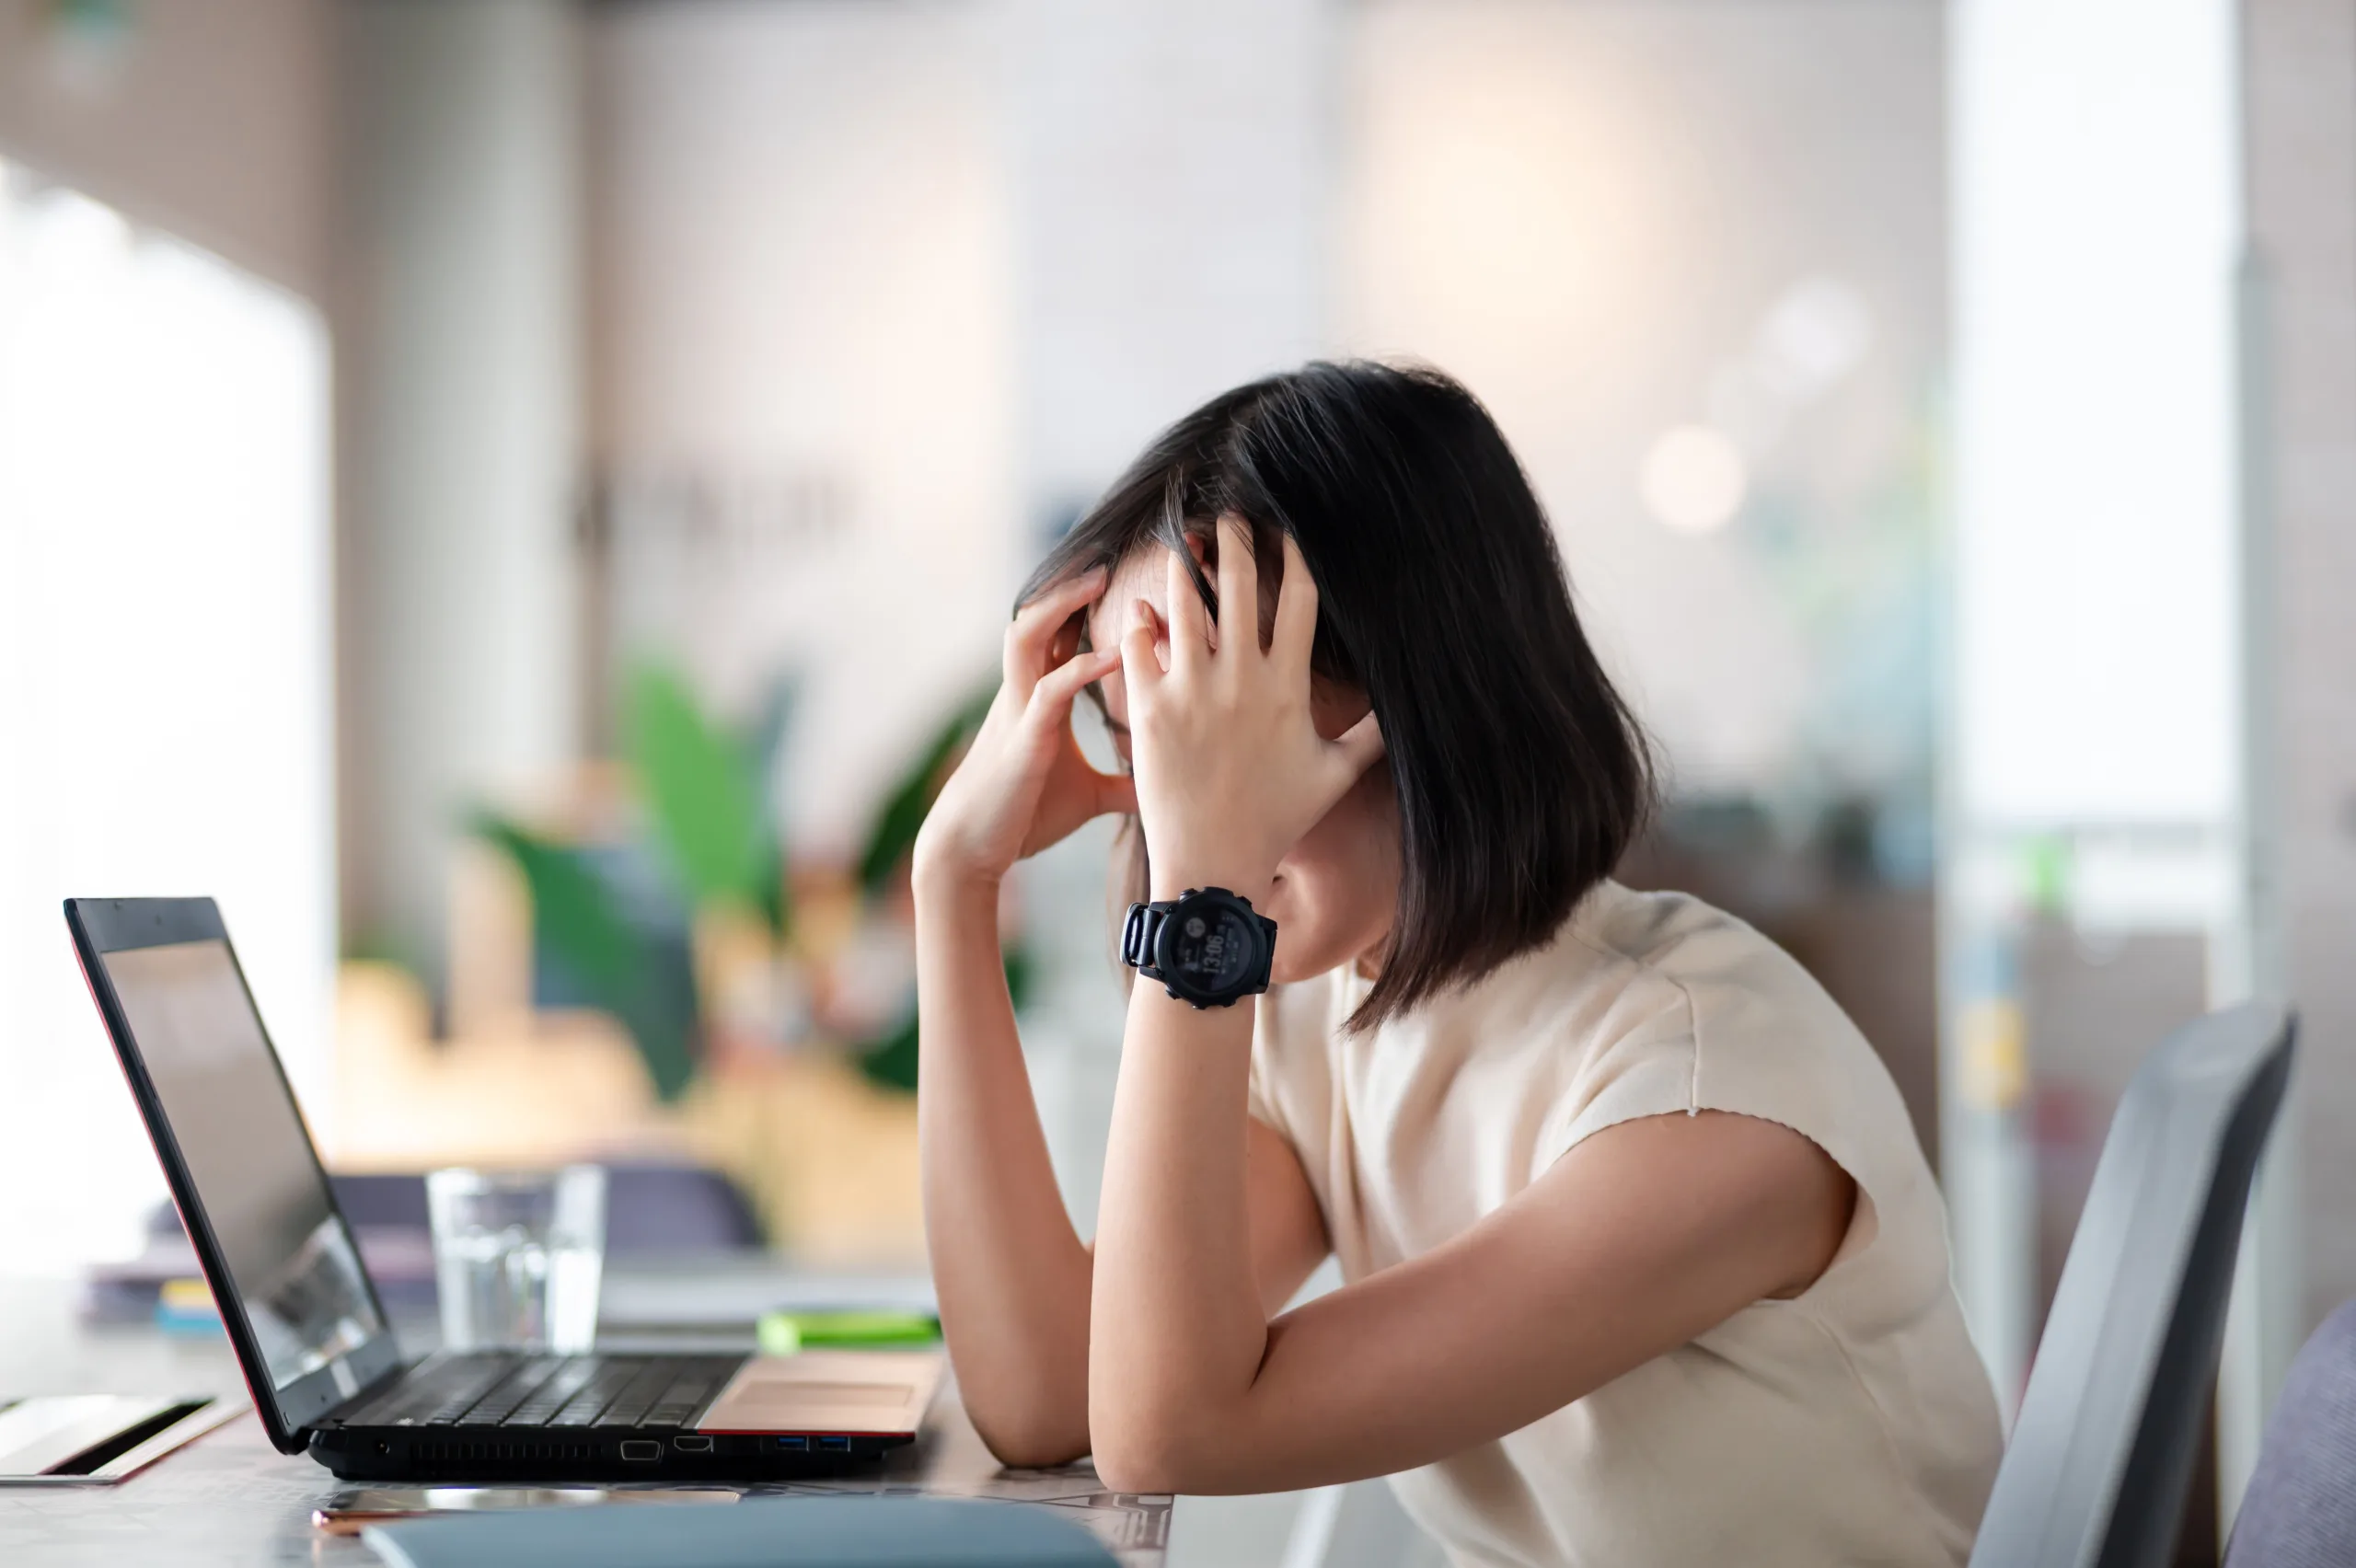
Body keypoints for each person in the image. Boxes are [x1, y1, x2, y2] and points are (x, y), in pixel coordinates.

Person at [910, 361, 2002, 1567]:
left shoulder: (1705, 1085)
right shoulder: (1323, 1017)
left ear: (1413, 699)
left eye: (1213, 720)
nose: (1173, 800)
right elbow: (1052, 1392)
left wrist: (1205, 901)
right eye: (1142, 724)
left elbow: (1172, 1433)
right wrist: (953, 886)